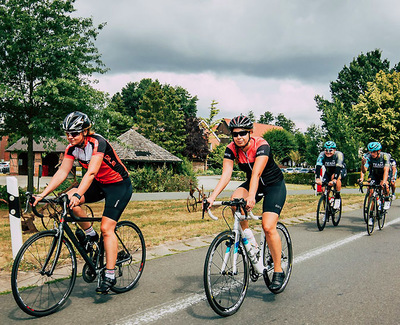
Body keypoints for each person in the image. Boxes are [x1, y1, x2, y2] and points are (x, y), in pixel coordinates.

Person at [33, 111, 132, 294]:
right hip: (99, 184)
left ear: (85, 131)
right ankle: (90, 235)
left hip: (119, 186)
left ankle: (109, 274)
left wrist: (79, 193)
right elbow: (62, 172)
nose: (70, 137)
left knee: (107, 228)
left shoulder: (98, 143)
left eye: (74, 133)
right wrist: (42, 194)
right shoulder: (71, 148)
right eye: (68, 133)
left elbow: (91, 172)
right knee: (69, 199)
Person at [206, 115, 287, 291]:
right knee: (235, 201)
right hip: (253, 184)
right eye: (235, 134)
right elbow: (226, 175)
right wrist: (212, 197)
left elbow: (257, 174)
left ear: (250, 132)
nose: (239, 137)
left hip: (273, 186)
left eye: (243, 133)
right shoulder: (231, 148)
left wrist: (251, 197)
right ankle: (250, 242)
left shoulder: (261, 145)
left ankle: (279, 271)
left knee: (268, 226)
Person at [360, 142, 391, 225]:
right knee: (371, 192)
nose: (372, 154)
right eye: (370, 152)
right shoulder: (368, 156)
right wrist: (362, 164)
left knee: (385, 186)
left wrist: (384, 181)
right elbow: (364, 170)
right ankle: (370, 215)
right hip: (375, 174)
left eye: (374, 152)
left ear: (379, 151)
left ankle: (387, 198)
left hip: (385, 173)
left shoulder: (385, 156)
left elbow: (386, 170)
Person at [315, 141, 347, 209]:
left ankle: (337, 196)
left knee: (335, 178)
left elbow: (338, 167)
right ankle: (327, 209)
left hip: (339, 170)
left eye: (330, 150)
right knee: (324, 191)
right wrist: (317, 178)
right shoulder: (322, 155)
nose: (328, 152)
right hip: (328, 172)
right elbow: (318, 166)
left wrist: (335, 179)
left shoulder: (338, 155)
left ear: (334, 150)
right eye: (326, 150)